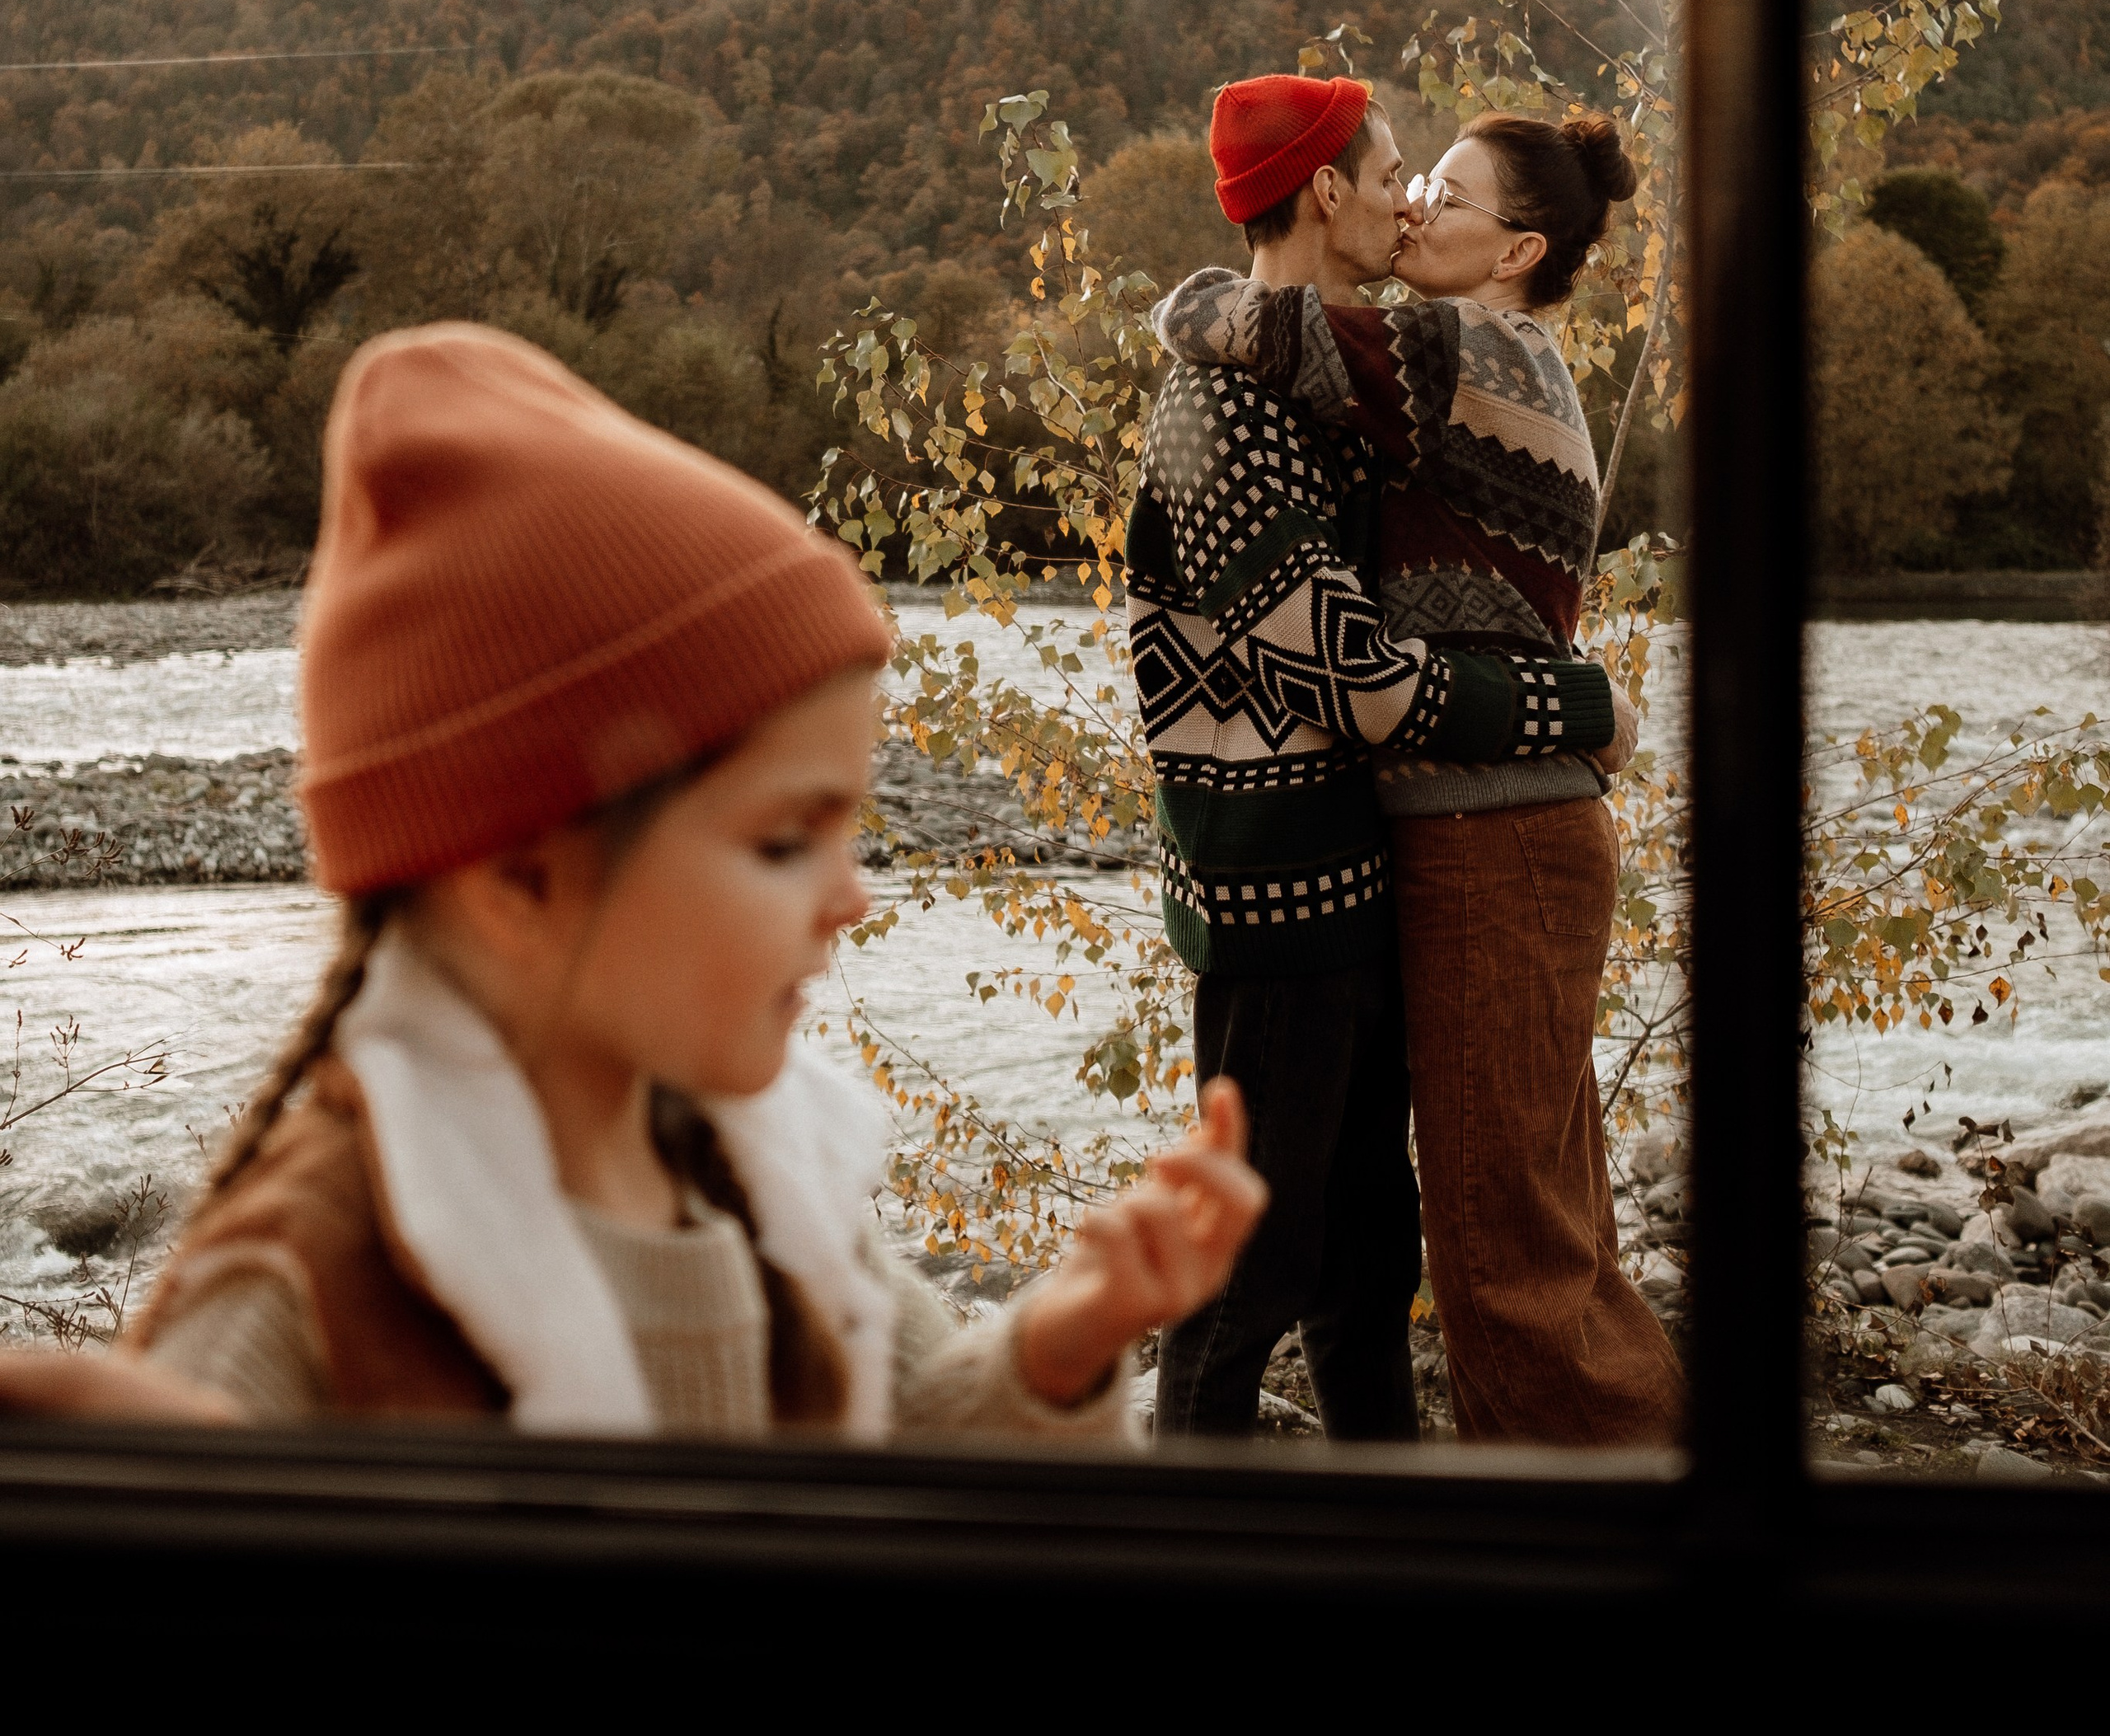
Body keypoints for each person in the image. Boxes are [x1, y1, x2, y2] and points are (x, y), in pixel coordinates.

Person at [0, 324, 1264, 1439]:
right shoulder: (313, 1292)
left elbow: (901, 1444)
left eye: (848, 833)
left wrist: (1057, 1347)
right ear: (518, 876)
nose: (853, 898)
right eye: (785, 841)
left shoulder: (748, 1174)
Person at [1153, 109, 1683, 1449]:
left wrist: (1196, 294)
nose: (1411, 208)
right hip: (1398, 852)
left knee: (1502, 1249)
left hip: (1490, 829)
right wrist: (1581, 699)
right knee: (1491, 1226)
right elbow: (1352, 666)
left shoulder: (1459, 350)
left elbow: (1257, 325)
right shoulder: (1406, 386)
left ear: (1517, 246)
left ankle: (1620, 1503)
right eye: (1406, 180)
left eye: (1437, 190)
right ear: (1325, 192)